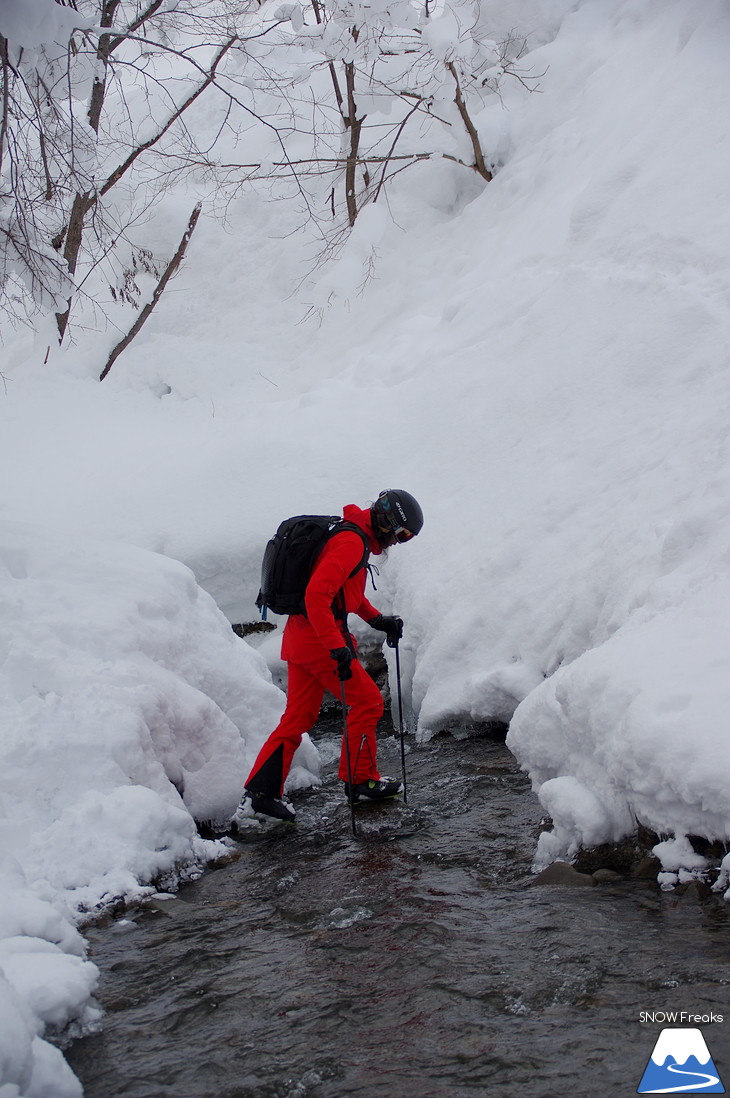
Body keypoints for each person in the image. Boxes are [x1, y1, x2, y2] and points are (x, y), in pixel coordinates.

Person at [234, 489, 424, 827]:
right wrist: (335, 646)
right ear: (386, 521)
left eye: (405, 538)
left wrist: (377, 619)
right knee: (367, 703)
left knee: (298, 718)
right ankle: (361, 781)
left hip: (301, 637)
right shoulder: (352, 543)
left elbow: (344, 593)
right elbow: (316, 596)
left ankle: (261, 796)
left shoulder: (352, 535)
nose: (399, 542)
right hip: (320, 639)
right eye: (401, 534)